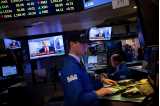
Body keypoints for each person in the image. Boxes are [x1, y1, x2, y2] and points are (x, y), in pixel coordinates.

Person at [59, 33, 116, 106]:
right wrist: (98, 93)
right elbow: (77, 99)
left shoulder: (78, 63)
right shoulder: (70, 68)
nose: (86, 46)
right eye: (82, 43)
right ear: (72, 44)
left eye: (86, 43)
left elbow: (87, 84)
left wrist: (102, 81)